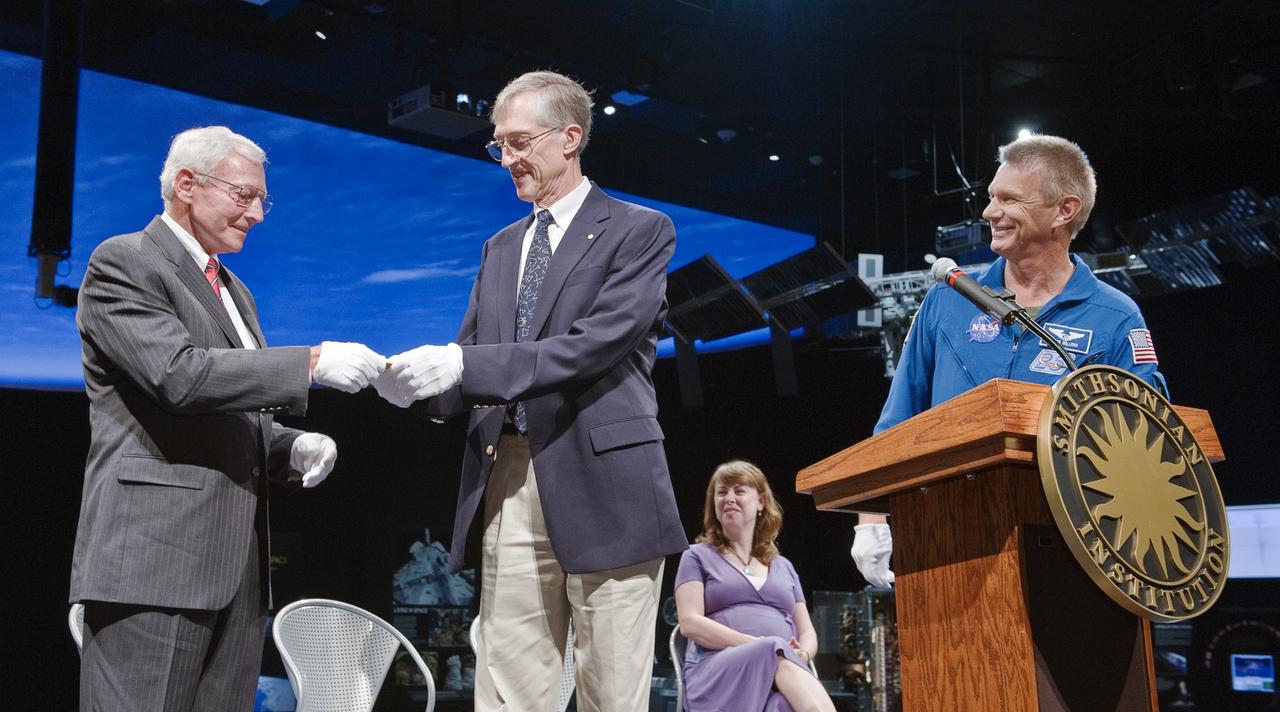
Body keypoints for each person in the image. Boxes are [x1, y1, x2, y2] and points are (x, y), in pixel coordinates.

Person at [374, 71, 687, 711]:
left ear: (571, 137)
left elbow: (595, 343)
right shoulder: (499, 248)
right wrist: (405, 381)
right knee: (508, 687)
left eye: (519, 143)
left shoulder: (639, 229)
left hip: (606, 482)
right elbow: (471, 356)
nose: (507, 160)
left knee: (610, 689)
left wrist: (463, 369)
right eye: (499, 146)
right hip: (508, 477)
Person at [71, 126, 385, 711]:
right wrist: (312, 362)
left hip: (235, 569)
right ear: (186, 184)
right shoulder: (125, 262)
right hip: (153, 563)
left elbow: (229, 407)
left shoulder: (234, 290)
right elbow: (178, 376)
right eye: (244, 196)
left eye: (263, 199)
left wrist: (286, 444)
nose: (258, 213)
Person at [851, 134, 1168, 589]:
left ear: (1064, 210)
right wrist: (870, 518)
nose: (988, 212)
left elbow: (1148, 439)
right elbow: (899, 420)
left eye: (1008, 199)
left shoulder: (1116, 317)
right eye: (990, 197)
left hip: (1072, 550)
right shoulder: (948, 300)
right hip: (944, 539)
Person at [674, 460, 835, 712]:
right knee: (773, 649)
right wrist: (754, 644)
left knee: (781, 705)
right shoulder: (696, 556)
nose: (729, 498)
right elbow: (689, 622)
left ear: (761, 502)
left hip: (781, 668)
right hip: (717, 670)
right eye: (721, 492)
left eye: (739, 491)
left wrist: (802, 654)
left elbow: (807, 632)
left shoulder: (784, 566)